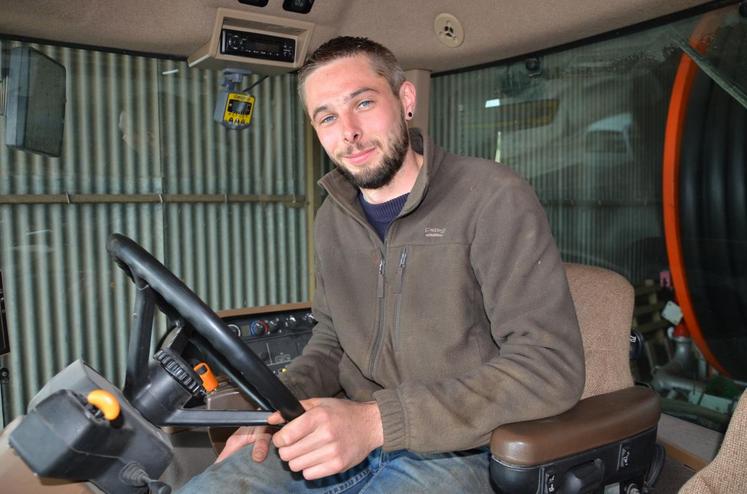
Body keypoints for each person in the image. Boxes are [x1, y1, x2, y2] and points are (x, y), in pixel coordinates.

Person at [179, 36, 584, 493]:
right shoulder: (332, 218)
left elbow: (550, 366)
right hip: (347, 433)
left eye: (364, 103)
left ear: (405, 100)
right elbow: (332, 341)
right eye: (327, 117)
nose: (347, 131)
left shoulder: (492, 196)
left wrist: (376, 423)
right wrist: (274, 409)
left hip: (459, 449)